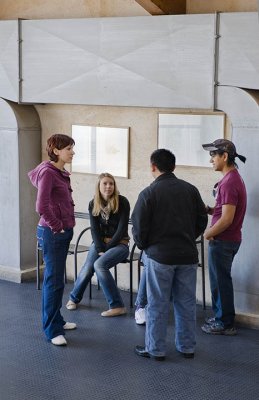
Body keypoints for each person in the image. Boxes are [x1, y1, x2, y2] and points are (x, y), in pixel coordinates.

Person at [131, 149, 208, 361]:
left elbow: (138, 228)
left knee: (157, 304)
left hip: (160, 257)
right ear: (173, 167)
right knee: (186, 303)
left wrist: (147, 246)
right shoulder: (190, 190)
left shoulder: (148, 193)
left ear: (153, 167)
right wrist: (189, 237)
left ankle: (155, 349)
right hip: (187, 255)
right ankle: (187, 347)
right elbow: (202, 219)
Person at [28, 134, 76, 346]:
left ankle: (57, 319)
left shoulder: (59, 171)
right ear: (56, 151)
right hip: (53, 232)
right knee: (53, 281)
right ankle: (51, 329)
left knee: (57, 280)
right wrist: (57, 227)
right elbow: (41, 206)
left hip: (62, 231)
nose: (72, 152)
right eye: (69, 148)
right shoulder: (48, 173)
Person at [66, 172, 130, 317]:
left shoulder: (123, 202)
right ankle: (73, 298)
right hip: (100, 244)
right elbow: (94, 230)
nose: (108, 186)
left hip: (120, 244)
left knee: (99, 265)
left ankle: (117, 306)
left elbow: (121, 230)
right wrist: (100, 248)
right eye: (105, 184)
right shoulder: (93, 203)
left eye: (111, 183)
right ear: (99, 186)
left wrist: (106, 250)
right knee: (88, 267)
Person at [201, 139, 247, 335]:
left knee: (221, 282)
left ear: (225, 156)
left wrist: (208, 233)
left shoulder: (229, 182)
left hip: (223, 240)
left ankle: (225, 323)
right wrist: (212, 210)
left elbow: (227, 219)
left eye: (213, 155)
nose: (211, 159)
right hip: (229, 239)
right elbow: (226, 212)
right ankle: (222, 316)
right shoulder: (233, 178)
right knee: (221, 281)